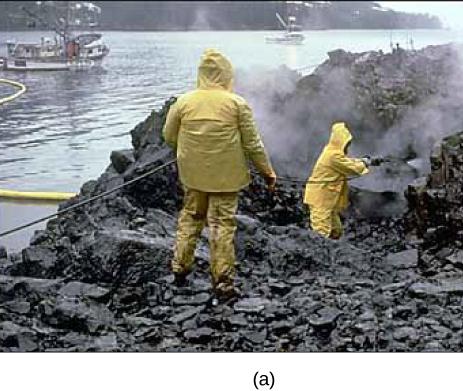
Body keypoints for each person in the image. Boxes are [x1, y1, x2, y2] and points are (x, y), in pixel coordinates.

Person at [163, 48, 277, 302]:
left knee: (190, 218)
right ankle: (223, 283)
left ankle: (180, 269)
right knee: (222, 226)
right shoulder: (236, 104)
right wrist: (267, 172)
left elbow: (168, 136)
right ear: (226, 75)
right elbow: (253, 145)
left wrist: (191, 150)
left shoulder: (183, 102)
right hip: (226, 179)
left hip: (192, 176)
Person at [303, 122, 382, 239]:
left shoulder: (332, 151)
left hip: (327, 200)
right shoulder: (333, 156)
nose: (348, 147)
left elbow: (346, 162)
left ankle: (331, 250)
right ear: (341, 142)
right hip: (320, 199)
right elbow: (351, 168)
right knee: (320, 233)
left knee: (336, 230)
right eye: (347, 144)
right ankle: (318, 254)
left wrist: (364, 160)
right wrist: (366, 162)